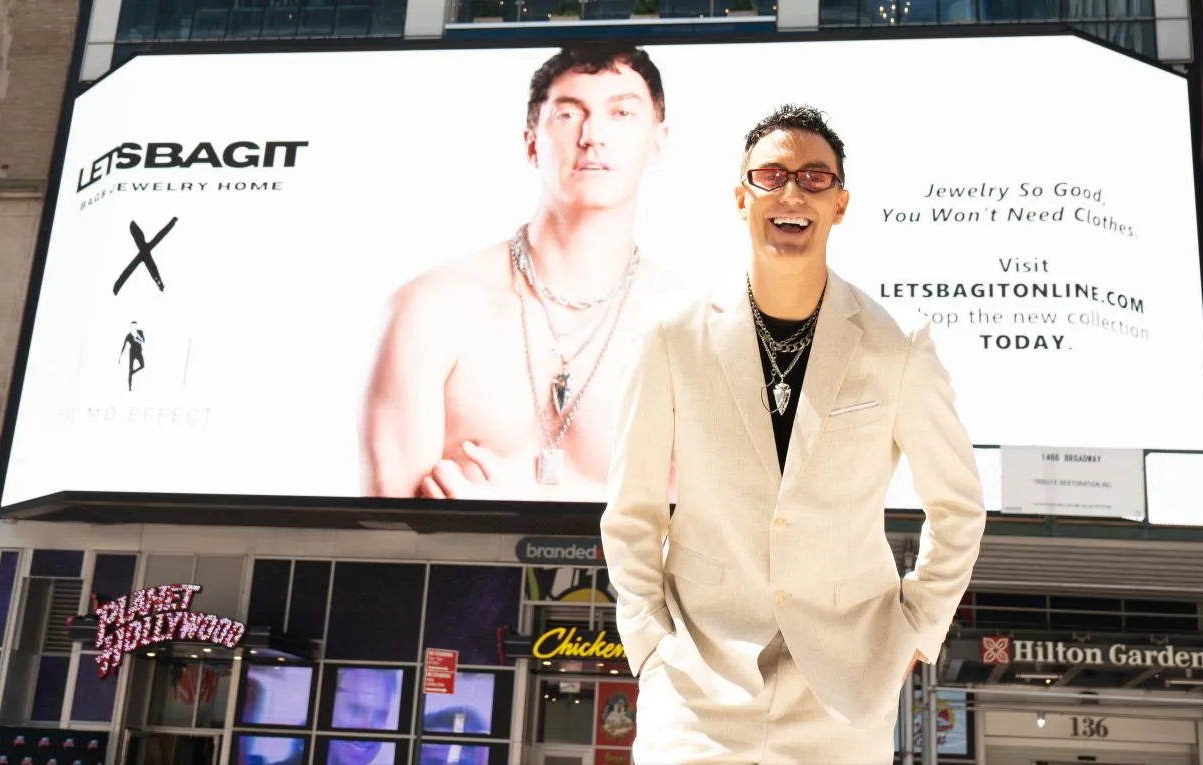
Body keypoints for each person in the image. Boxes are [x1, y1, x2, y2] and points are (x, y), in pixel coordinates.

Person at [599, 104, 987, 763]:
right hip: (696, 680)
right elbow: (633, 511)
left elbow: (959, 506)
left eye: (814, 178)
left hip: (844, 689)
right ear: (740, 197)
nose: (791, 192)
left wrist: (917, 629)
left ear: (840, 204)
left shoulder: (899, 346)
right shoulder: (670, 337)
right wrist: (649, 644)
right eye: (771, 175)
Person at [363, 43, 684, 503]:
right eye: (568, 114)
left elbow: (710, 531)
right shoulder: (429, 311)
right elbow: (384, 532)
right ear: (532, 142)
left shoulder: (695, 330)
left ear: (658, 140)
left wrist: (506, 510)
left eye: (621, 114)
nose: (593, 135)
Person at [117, 322, 145, 391]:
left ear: (136, 326)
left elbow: (143, 341)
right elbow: (124, 346)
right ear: (130, 327)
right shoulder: (128, 336)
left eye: (135, 326)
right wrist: (120, 356)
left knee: (142, 365)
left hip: (139, 352)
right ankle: (129, 387)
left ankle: (133, 372)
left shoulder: (140, 332)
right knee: (130, 369)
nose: (134, 327)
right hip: (132, 353)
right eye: (132, 326)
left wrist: (137, 337)